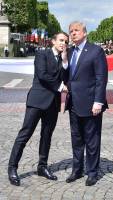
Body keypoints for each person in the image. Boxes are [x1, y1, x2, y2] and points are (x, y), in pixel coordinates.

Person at [8, 32, 69, 186]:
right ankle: (12, 168)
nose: (63, 43)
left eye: (66, 41)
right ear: (53, 41)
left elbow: (66, 77)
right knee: (25, 134)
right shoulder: (42, 54)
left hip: (52, 104)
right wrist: (60, 86)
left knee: (47, 136)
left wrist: (65, 62)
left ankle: (42, 166)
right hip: (37, 101)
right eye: (61, 40)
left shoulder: (63, 58)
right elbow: (42, 75)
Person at [64, 21, 108, 186]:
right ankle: (77, 170)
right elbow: (67, 75)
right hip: (73, 103)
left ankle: (92, 172)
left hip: (91, 104)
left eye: (76, 30)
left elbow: (101, 78)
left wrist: (98, 101)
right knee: (76, 139)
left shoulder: (96, 51)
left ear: (84, 33)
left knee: (92, 139)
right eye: (71, 31)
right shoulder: (69, 52)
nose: (73, 33)